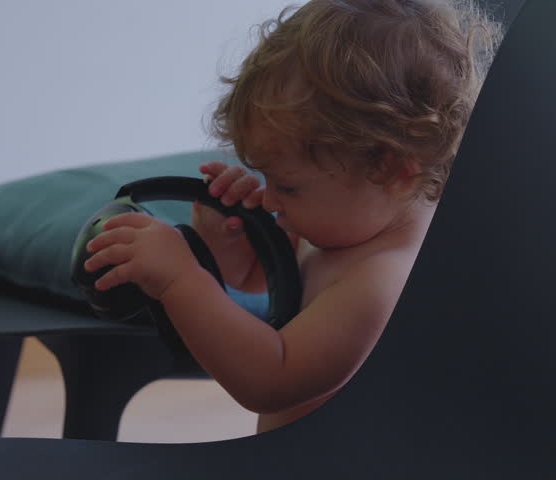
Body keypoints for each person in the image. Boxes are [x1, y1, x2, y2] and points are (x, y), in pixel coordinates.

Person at [84, 0, 502, 434]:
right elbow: (273, 291)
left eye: (288, 186)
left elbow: (268, 378)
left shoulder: (381, 282)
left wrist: (180, 279)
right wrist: (228, 247)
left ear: (393, 168)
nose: (270, 200)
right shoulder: (350, 226)